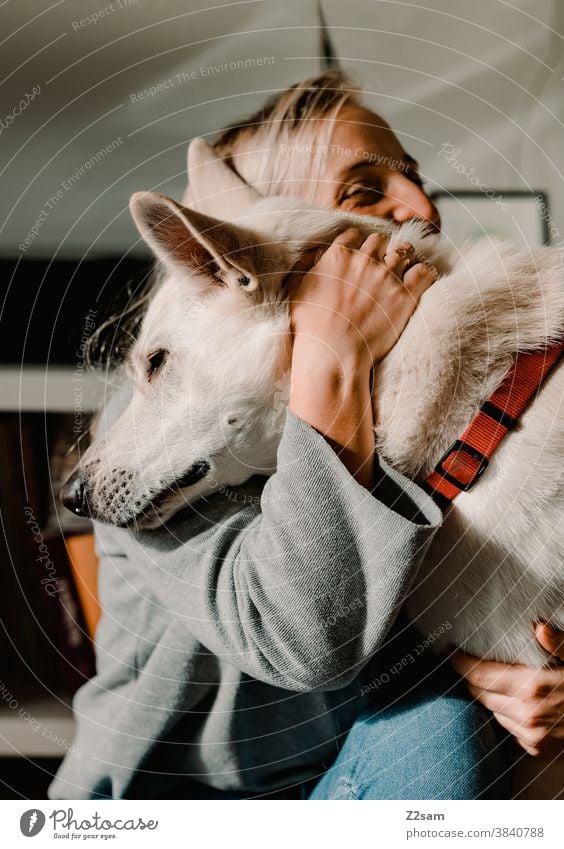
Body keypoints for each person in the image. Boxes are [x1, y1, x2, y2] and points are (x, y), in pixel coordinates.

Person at [47, 72, 554, 802]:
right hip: (176, 802)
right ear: (258, 239)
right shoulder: (166, 421)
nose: (418, 208)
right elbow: (300, 635)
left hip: (354, 762)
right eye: (362, 190)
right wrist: (330, 349)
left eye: (411, 178)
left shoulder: (420, 395)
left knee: (455, 721)